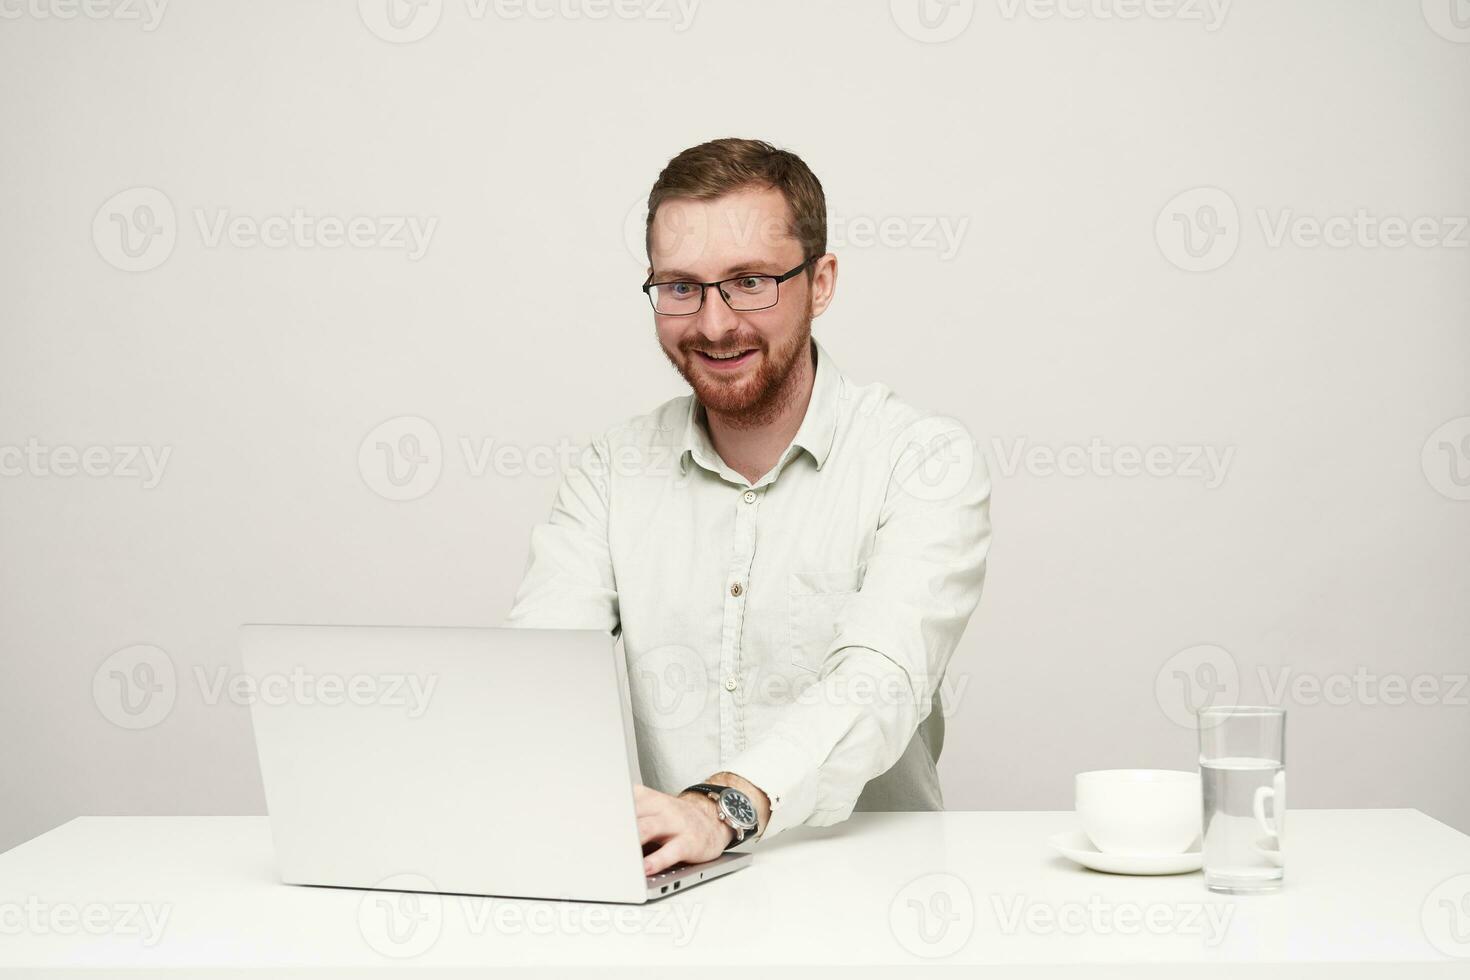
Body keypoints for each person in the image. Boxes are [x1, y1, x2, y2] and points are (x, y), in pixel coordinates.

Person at [508, 137, 991, 876]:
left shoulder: (923, 460)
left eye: (750, 282)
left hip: (880, 900)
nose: (712, 323)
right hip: (677, 888)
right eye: (680, 287)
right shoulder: (611, 471)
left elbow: (879, 678)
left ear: (820, 282)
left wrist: (721, 807)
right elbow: (540, 678)